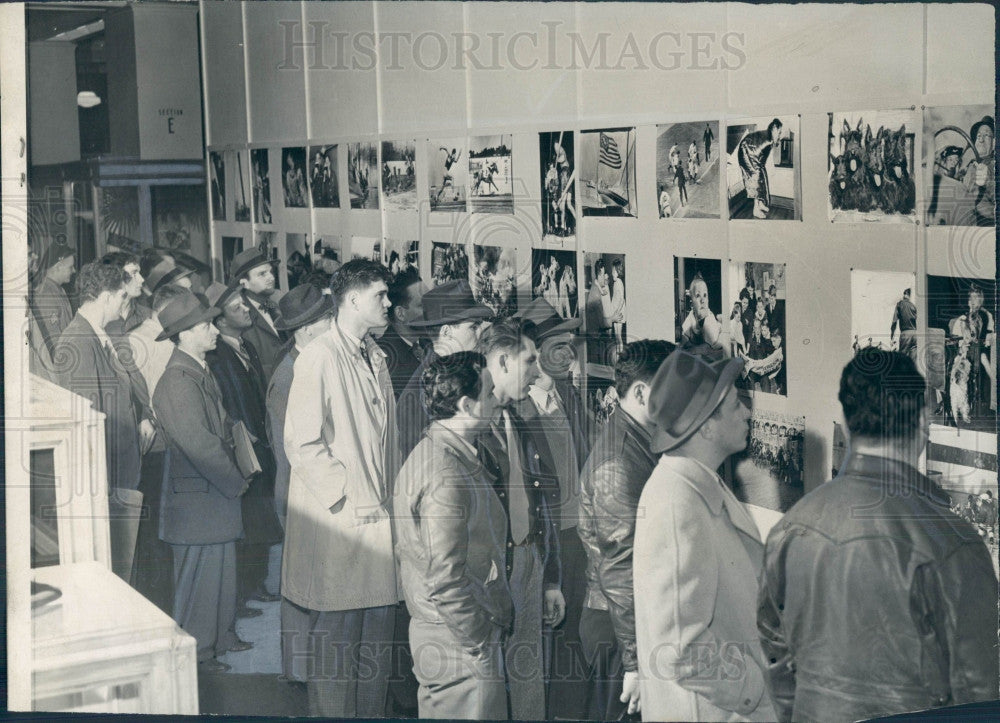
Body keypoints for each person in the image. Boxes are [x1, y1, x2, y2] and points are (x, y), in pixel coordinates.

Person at [758, 349, 999, 721]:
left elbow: (775, 656)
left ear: (847, 422)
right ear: (922, 421)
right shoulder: (954, 542)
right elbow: (978, 694)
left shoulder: (790, 527)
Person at [282, 259, 401, 716]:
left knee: (375, 642)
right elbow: (301, 441)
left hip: (375, 518)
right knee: (336, 640)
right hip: (341, 522)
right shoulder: (320, 356)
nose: (388, 303)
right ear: (352, 300)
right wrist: (347, 494)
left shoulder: (374, 354)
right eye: (380, 296)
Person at [634, 351, 775, 721]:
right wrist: (753, 688)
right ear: (706, 427)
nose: (747, 412)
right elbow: (680, 649)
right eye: (734, 405)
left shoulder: (697, 483)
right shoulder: (678, 503)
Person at [393, 351, 512, 719]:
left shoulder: (442, 454)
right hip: (458, 645)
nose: (497, 400)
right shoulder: (444, 473)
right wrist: (477, 640)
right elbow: (445, 579)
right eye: (489, 393)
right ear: (466, 404)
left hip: (451, 637)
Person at [152, 291, 252, 674]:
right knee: (197, 580)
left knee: (221, 570)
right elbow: (200, 444)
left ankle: (220, 636)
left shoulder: (197, 368)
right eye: (204, 325)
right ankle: (196, 653)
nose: (213, 329)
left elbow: (222, 425)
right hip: (199, 497)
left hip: (210, 494)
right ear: (183, 335)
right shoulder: (178, 380)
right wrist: (235, 479)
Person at [577, 340, 675, 721]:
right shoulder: (618, 463)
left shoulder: (639, 440)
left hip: (627, 623)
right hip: (618, 629)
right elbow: (620, 569)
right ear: (639, 392)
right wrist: (635, 664)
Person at [476, 319, 565, 721]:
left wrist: (549, 577)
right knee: (486, 686)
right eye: (529, 360)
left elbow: (543, 502)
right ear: (501, 361)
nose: (536, 370)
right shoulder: (469, 431)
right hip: (491, 572)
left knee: (530, 677)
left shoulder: (519, 420)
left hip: (528, 561)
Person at [512, 299, 590, 720]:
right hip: (546, 537)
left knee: (571, 633)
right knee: (541, 638)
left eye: (570, 345)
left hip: (576, 535)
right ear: (538, 355)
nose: (570, 354)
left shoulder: (567, 397)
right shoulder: (518, 411)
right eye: (560, 345)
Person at [263, 283, 335, 684]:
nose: (333, 325)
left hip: (303, 489)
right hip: (296, 492)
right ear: (307, 330)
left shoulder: (305, 363)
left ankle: (305, 666)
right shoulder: (290, 376)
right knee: (299, 582)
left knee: (308, 577)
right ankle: (299, 669)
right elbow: (289, 449)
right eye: (327, 319)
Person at [204, 282, 283, 620]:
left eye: (244, 304)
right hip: (242, 446)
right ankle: (242, 593)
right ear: (220, 321)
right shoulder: (216, 354)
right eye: (236, 307)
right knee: (247, 519)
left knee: (260, 518)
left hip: (259, 444)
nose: (246, 309)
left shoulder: (246, 346)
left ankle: (255, 583)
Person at [396, 280, 493, 459]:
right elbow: (420, 462)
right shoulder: (417, 393)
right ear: (447, 332)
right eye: (473, 327)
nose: (480, 333)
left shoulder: (459, 374)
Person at [231, 247, 286, 381]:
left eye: (270, 272)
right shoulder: (240, 318)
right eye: (262, 274)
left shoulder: (274, 306)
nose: (271, 277)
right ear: (244, 283)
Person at [376, 267, 426, 400]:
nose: (431, 311)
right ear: (400, 313)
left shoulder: (428, 344)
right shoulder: (384, 358)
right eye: (422, 305)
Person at [33, 242, 76, 354]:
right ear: (58, 267)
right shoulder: (46, 295)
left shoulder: (59, 290)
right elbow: (53, 341)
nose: (74, 271)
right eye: (70, 267)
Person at [737, 118, 783, 219]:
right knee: (756, 177)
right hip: (745, 151)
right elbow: (758, 159)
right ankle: (755, 209)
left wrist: (761, 169)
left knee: (762, 174)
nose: (780, 135)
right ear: (774, 129)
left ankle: (760, 203)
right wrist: (758, 169)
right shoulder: (768, 140)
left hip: (751, 151)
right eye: (779, 132)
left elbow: (762, 158)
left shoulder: (768, 136)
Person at [961, 115, 994, 226]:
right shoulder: (970, 166)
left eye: (986, 135)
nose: (980, 139)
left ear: (994, 142)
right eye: (978, 135)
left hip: (986, 224)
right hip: (965, 221)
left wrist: (988, 181)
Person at [680, 273, 722, 350]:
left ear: (708, 300)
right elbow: (684, 339)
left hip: (716, 334)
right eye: (698, 295)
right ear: (691, 304)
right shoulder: (691, 317)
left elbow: (709, 347)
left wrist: (694, 349)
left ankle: (720, 322)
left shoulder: (709, 318)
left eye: (705, 295)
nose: (702, 300)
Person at [889, 287, 917, 363]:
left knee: (902, 359)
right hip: (915, 334)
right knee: (913, 361)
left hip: (906, 333)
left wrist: (892, 335)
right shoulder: (913, 306)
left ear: (904, 294)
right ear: (909, 295)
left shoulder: (900, 304)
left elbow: (894, 321)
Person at [610, 259, 626, 356]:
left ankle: (621, 354)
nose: (612, 273)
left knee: (618, 336)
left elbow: (621, 299)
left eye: (613, 271)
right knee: (616, 336)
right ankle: (618, 352)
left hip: (619, 313)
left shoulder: (619, 282)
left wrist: (617, 311)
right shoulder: (616, 283)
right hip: (615, 312)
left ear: (617, 271)